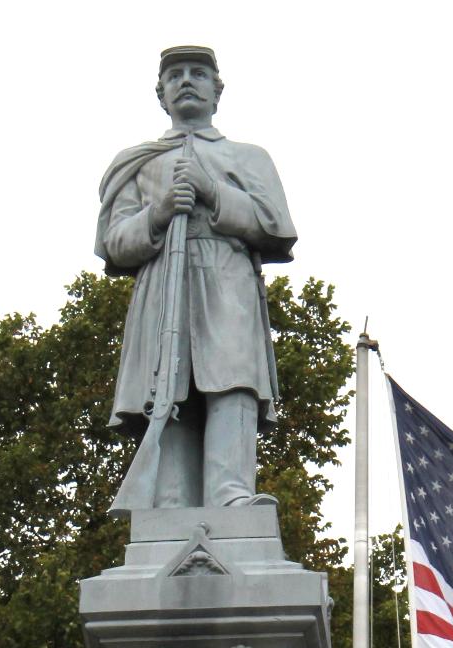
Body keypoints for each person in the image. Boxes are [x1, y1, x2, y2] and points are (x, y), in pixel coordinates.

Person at [96, 45, 297, 509]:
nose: (187, 80)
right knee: (169, 387)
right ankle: (170, 502)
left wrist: (213, 191)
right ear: (161, 94)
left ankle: (231, 495)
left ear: (216, 90)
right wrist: (159, 213)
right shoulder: (138, 161)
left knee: (232, 380)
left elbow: (275, 226)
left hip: (226, 276)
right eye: (176, 75)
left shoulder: (248, 157)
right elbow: (115, 241)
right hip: (163, 278)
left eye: (199, 74)